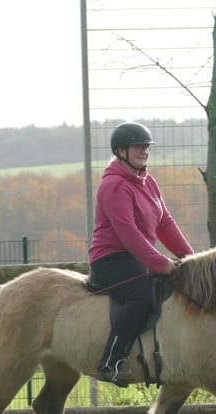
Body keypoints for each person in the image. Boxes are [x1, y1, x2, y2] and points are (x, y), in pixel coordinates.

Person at [88, 122, 194, 387]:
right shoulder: (113, 187)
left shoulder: (148, 182)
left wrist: (191, 258)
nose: (144, 152)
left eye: (146, 147)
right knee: (140, 295)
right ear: (121, 150)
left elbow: (164, 223)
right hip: (111, 259)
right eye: (138, 147)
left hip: (137, 258)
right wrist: (162, 263)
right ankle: (110, 362)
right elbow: (129, 234)